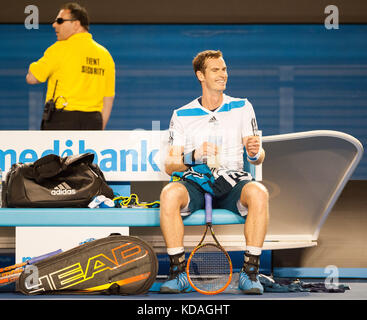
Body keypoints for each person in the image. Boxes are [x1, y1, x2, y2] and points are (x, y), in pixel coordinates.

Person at [159, 50, 269, 295]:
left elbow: (257, 156)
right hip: (197, 181)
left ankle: (250, 273)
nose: (223, 75)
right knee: (169, 194)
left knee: (259, 193)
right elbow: (169, 164)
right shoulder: (181, 114)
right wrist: (194, 156)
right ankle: (178, 273)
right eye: (216, 70)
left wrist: (254, 153)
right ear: (201, 75)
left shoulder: (242, 106)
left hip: (233, 181)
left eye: (224, 69)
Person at [26, 2, 115, 130]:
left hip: (62, 121)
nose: (54, 24)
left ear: (76, 24)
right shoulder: (105, 55)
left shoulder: (59, 49)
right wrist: (99, 129)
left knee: (58, 151)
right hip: (93, 121)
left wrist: (34, 65)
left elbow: (32, 78)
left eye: (60, 21)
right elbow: (108, 99)